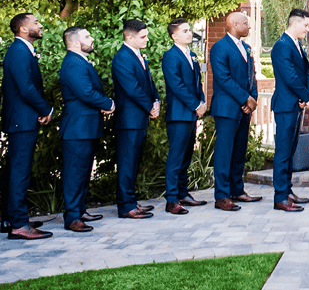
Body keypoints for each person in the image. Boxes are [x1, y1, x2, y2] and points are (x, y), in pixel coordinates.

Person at [2, 14, 53, 240]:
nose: (40, 25)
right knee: (19, 172)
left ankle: (16, 218)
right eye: (35, 23)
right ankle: (19, 225)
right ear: (23, 29)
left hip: (25, 119)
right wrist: (46, 109)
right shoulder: (18, 51)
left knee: (20, 171)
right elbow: (25, 88)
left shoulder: (23, 50)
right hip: (21, 121)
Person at [59, 27, 114, 232]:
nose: (92, 39)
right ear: (74, 42)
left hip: (86, 126)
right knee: (74, 173)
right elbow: (86, 92)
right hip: (77, 127)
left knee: (83, 171)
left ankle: (80, 210)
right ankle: (72, 217)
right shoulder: (73, 63)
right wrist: (109, 103)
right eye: (87, 36)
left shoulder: (80, 61)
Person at [209, 11, 262, 211]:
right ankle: (222, 195)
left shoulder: (247, 48)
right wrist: (245, 98)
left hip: (244, 108)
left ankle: (237, 190)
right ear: (233, 24)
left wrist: (253, 98)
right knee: (224, 152)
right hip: (226, 108)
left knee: (239, 150)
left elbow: (252, 76)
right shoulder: (220, 48)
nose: (249, 27)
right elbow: (223, 78)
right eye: (245, 23)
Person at [111, 19, 161, 219]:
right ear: (129, 37)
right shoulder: (122, 58)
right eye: (143, 37)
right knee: (126, 162)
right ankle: (125, 206)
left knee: (134, 161)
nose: (147, 39)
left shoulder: (138, 55)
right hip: (129, 120)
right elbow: (132, 88)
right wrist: (149, 106)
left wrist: (156, 99)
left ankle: (131, 200)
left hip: (140, 118)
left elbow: (149, 83)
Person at [162, 19, 207, 215]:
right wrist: (196, 104)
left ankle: (183, 193)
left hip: (191, 114)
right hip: (179, 114)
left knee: (186, 156)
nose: (190, 33)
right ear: (174, 36)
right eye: (185, 31)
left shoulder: (192, 55)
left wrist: (202, 100)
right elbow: (176, 85)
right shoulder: (170, 56)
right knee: (176, 157)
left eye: (190, 30)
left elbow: (198, 83)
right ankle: (171, 199)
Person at [270, 9, 309, 212]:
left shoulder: (296, 44)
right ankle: (280, 197)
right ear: (295, 24)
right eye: (305, 25)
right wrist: (307, 96)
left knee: (290, 150)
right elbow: (289, 77)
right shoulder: (281, 46)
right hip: (286, 106)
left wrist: (305, 96)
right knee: (282, 152)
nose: (307, 28)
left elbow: (303, 73)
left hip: (295, 104)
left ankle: (287, 191)